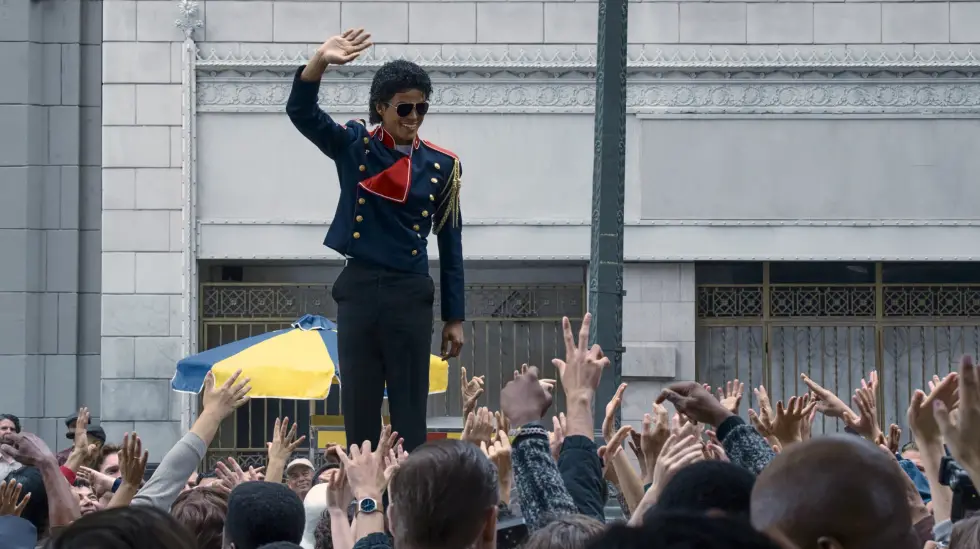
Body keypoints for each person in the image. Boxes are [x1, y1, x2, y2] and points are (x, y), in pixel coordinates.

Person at [287, 27, 465, 452]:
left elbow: (450, 242)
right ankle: (362, 487)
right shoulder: (354, 146)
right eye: (404, 107)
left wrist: (455, 317)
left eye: (422, 107)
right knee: (359, 407)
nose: (414, 116)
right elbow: (301, 112)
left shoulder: (443, 165)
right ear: (381, 108)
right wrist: (319, 61)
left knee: (410, 411)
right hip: (361, 288)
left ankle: (411, 488)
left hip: (410, 292)